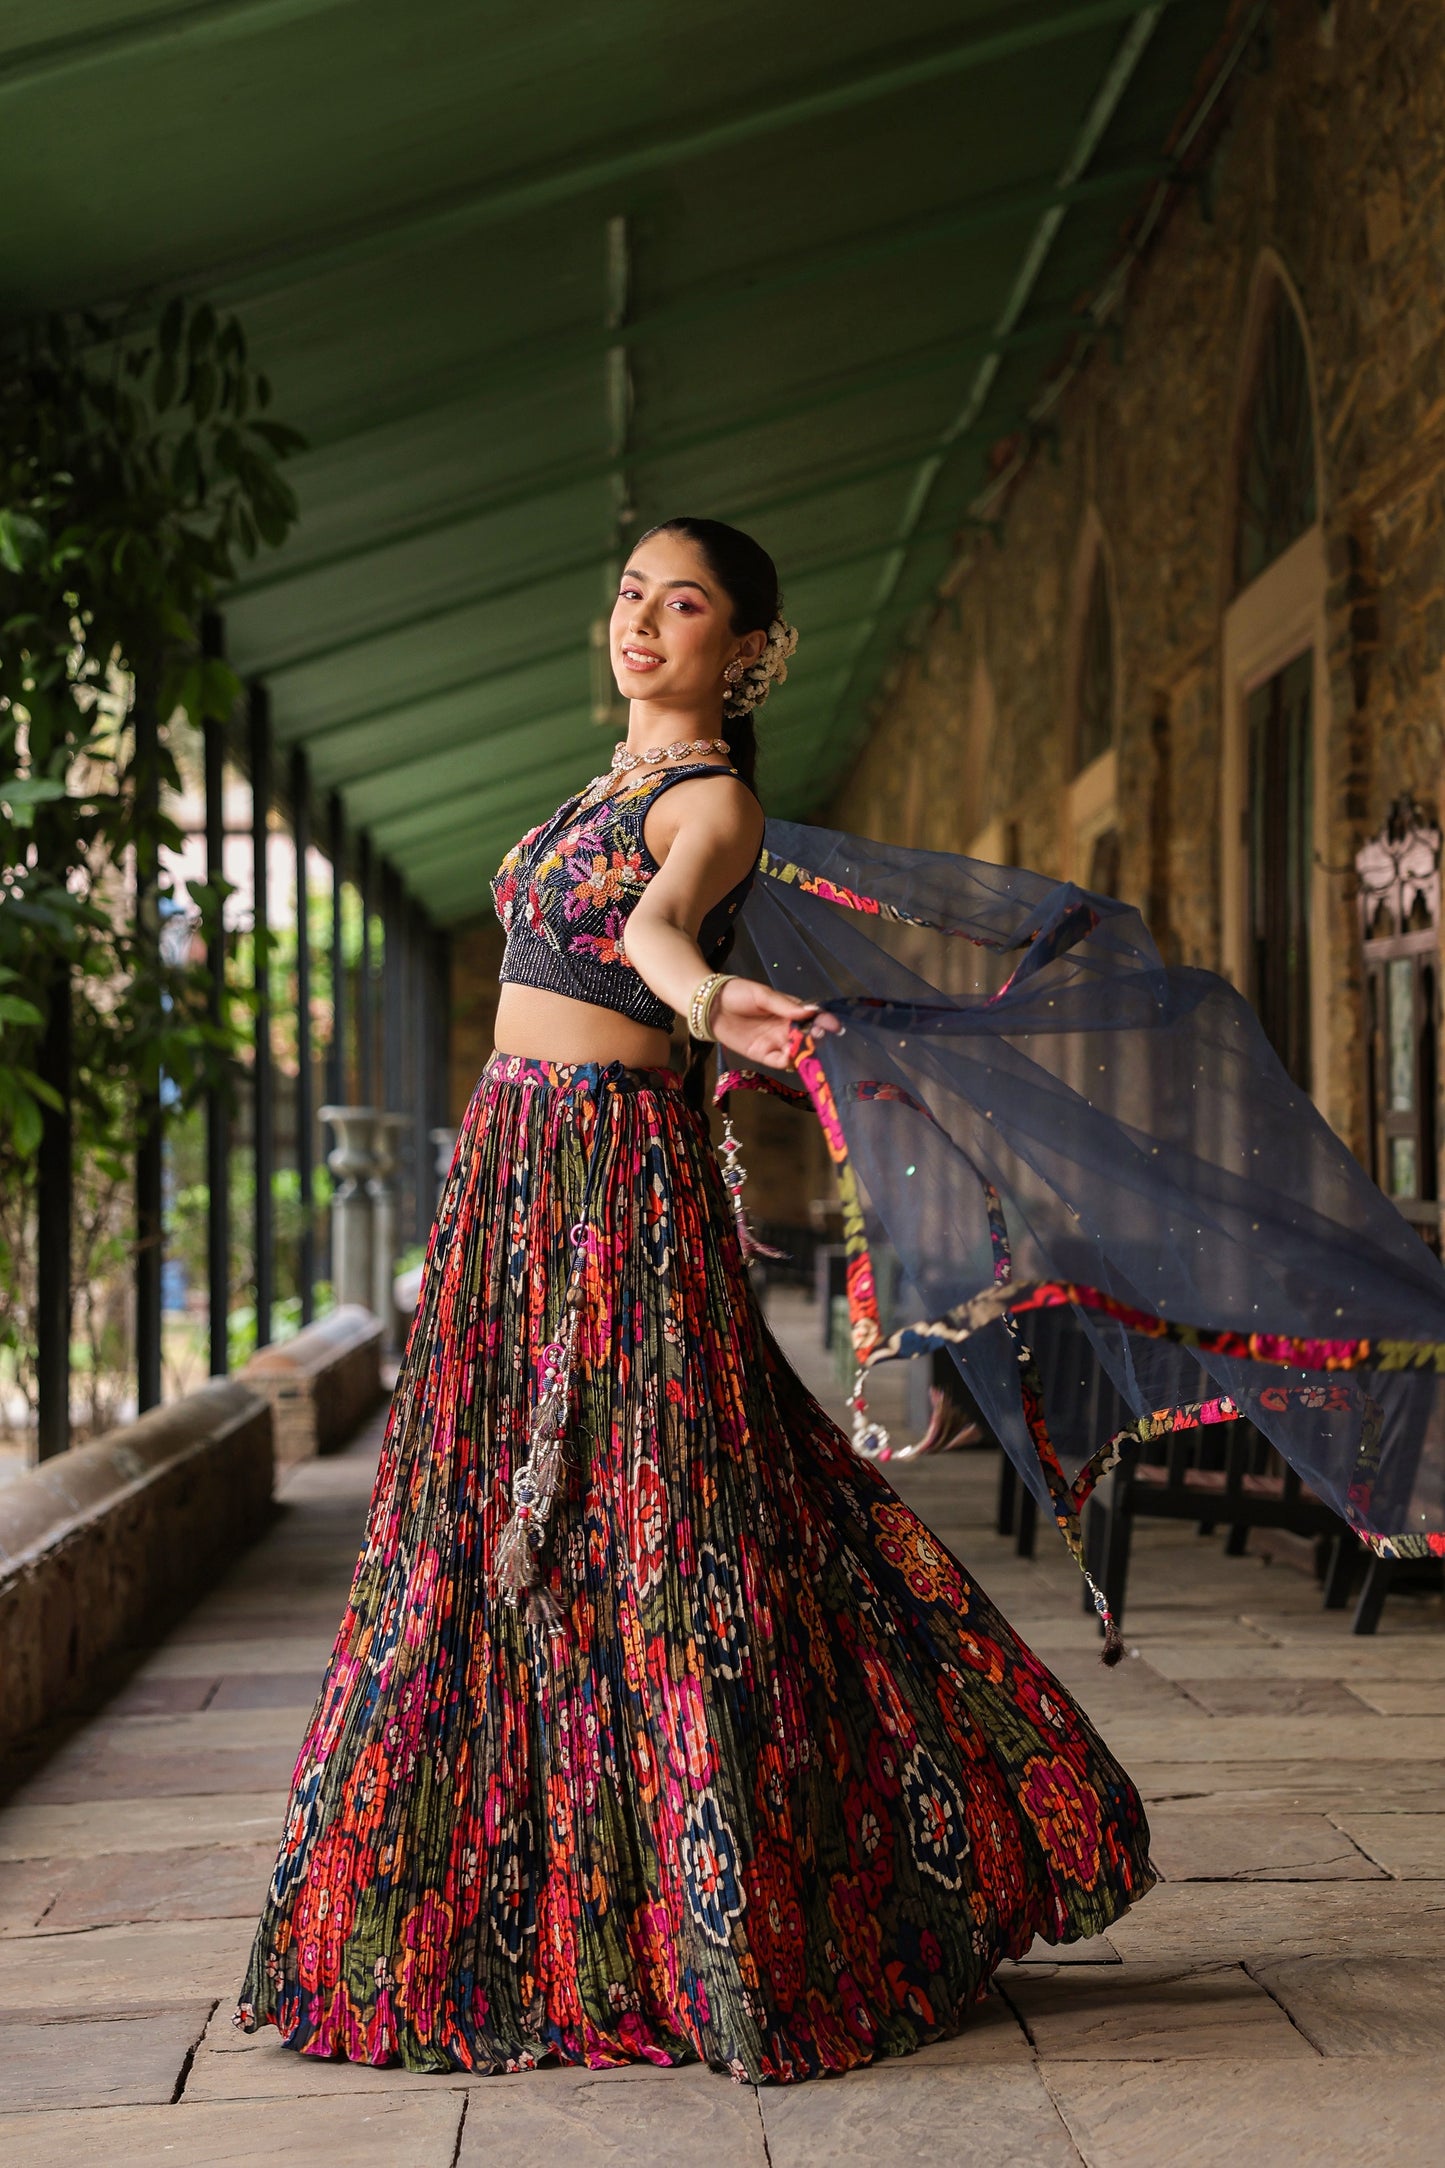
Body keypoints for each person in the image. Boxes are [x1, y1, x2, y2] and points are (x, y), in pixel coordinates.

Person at [235, 515, 1154, 2083]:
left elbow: (660, 931)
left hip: (607, 1185)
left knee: (664, 1519)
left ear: (748, 652)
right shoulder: (600, 783)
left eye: (682, 606)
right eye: (629, 598)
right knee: (489, 1521)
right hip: (510, 1182)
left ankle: (737, 1907)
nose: (641, 624)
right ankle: (485, 1906)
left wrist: (711, 999)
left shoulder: (709, 801)